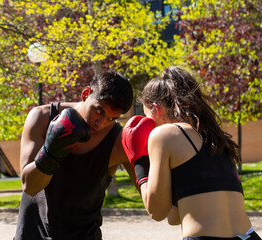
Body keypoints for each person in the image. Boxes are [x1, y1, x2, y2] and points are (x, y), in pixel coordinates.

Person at [122, 66, 261, 240]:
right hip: (248, 236)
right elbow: (174, 217)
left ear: (156, 109)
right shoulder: (214, 137)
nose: (148, 125)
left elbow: (157, 212)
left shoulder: (163, 135)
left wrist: (139, 161)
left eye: (147, 116)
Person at [14, 71, 138, 240]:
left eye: (111, 118)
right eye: (99, 111)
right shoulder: (42, 118)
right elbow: (30, 186)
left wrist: (159, 143)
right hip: (32, 235)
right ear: (86, 94)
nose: (100, 123)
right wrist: (52, 151)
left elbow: (154, 200)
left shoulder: (119, 141)